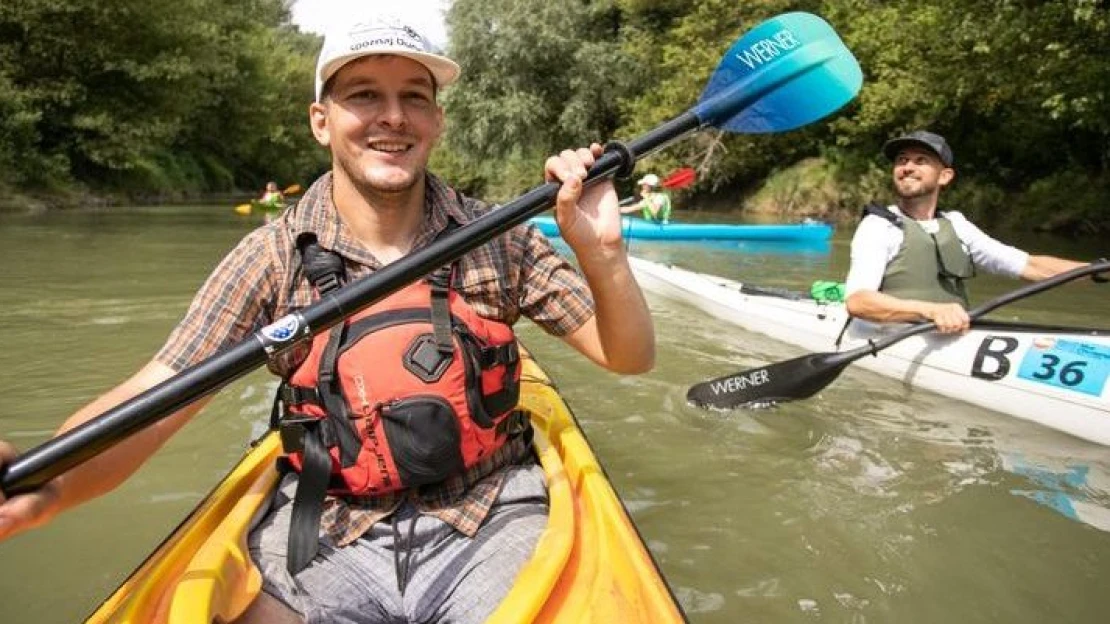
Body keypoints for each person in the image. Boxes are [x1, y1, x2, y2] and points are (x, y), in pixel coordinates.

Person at [0, 14, 655, 624]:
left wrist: (602, 250)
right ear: (321, 120)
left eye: (415, 97)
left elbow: (628, 355)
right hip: (325, 522)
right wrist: (50, 485)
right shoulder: (269, 258)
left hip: (490, 515)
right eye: (364, 95)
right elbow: (156, 393)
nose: (392, 117)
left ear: (437, 120)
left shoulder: (500, 239)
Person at [845, 130, 1091, 334]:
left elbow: (1030, 266)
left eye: (921, 160)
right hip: (890, 336)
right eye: (901, 160)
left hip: (950, 334)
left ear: (945, 176)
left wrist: (1099, 271)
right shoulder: (879, 225)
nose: (907, 167)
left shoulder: (956, 224)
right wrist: (931, 311)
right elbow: (858, 301)